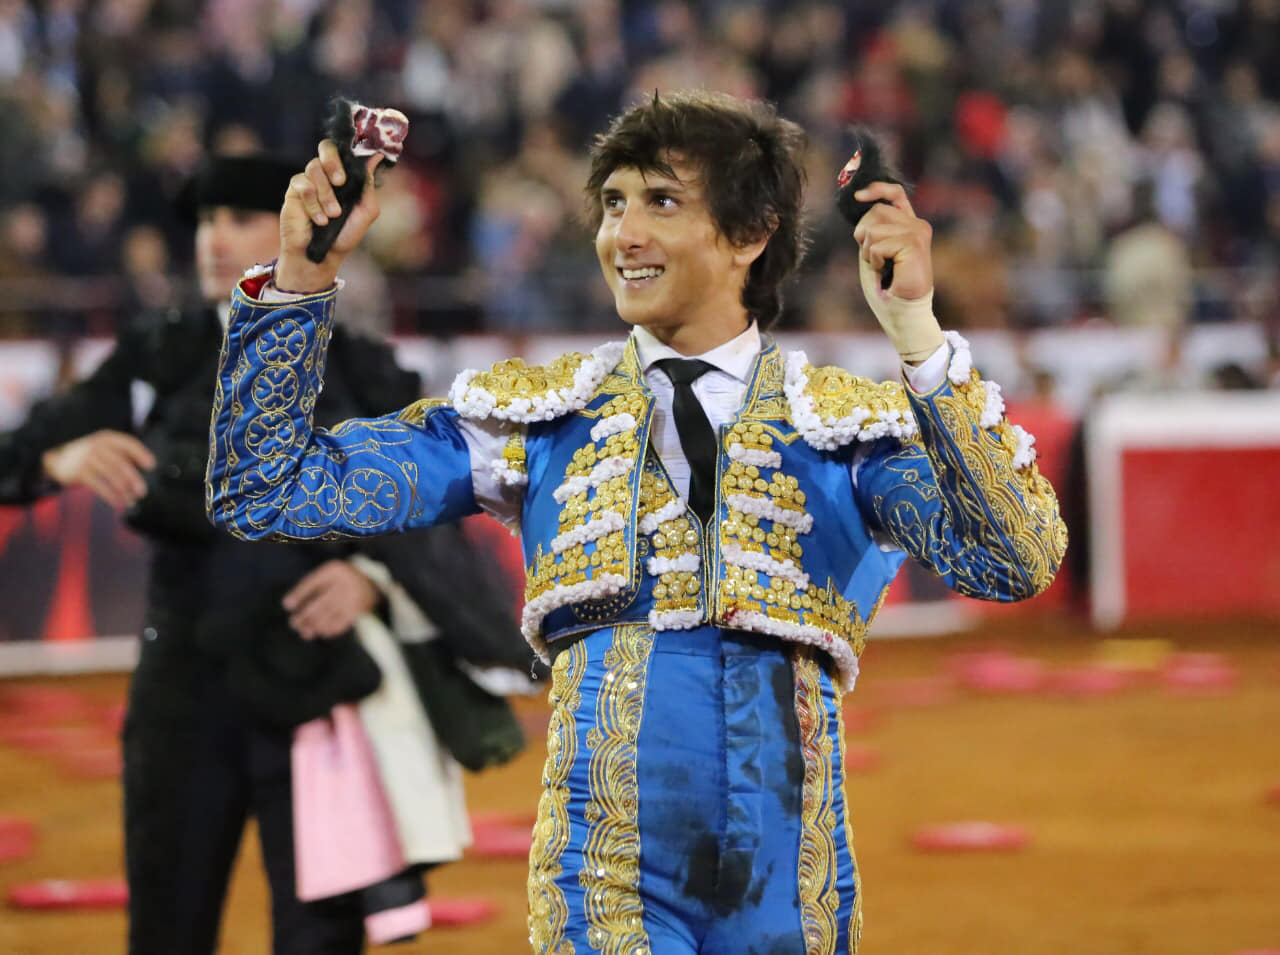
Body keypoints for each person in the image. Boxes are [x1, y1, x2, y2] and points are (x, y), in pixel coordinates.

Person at [208, 91, 1067, 953]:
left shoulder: (844, 432)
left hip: (792, 886)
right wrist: (299, 282)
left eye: (661, 201)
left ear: (751, 232)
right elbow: (266, 487)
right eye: (614, 203)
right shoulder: (539, 418)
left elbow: (1015, 558)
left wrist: (918, 335)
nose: (624, 233)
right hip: (605, 879)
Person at [1, 154, 535, 954]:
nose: (217, 238)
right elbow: (19, 453)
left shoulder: (354, 360)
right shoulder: (159, 350)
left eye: (242, 218)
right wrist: (56, 461)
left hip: (316, 694)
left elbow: (425, 522)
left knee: (318, 939)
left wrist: (372, 583)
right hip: (183, 689)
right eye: (208, 220)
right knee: (167, 927)